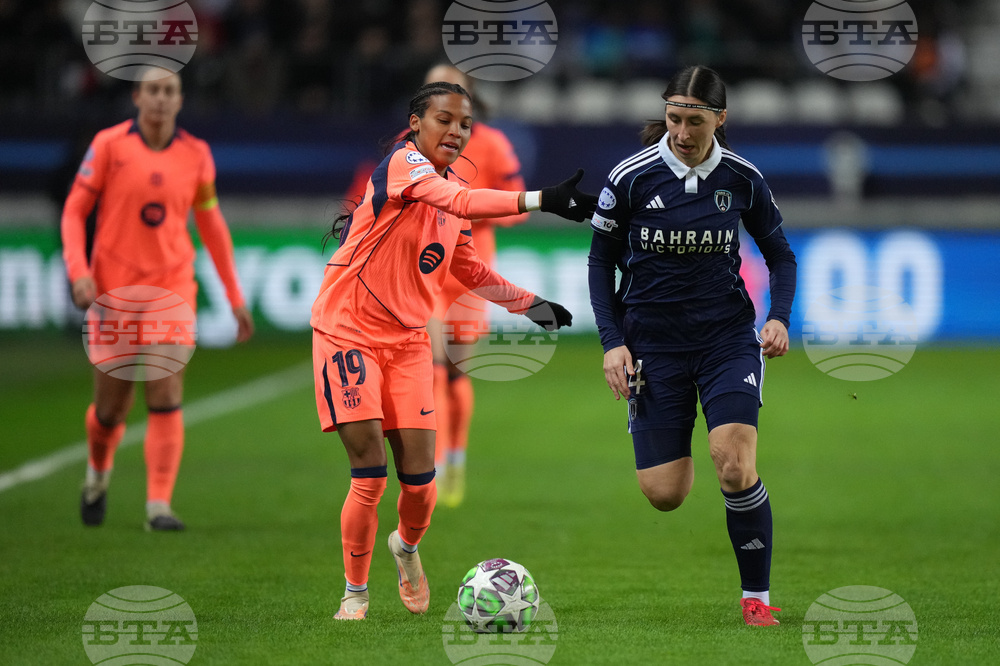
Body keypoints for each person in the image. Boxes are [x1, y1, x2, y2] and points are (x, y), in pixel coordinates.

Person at [312, 81, 596, 620]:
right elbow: (461, 200)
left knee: (420, 482)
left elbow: (465, 267)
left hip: (409, 340)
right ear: (415, 124)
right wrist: (541, 199)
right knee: (369, 471)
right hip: (347, 330)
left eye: (465, 124)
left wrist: (529, 305)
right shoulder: (402, 166)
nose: (456, 131)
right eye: (445, 119)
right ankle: (355, 591)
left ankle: (407, 549)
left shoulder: (453, 186)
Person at [587, 65, 796, 627]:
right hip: (653, 345)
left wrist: (777, 317)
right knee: (664, 492)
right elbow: (600, 261)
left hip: (726, 337)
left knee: (733, 464)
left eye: (695, 120)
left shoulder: (742, 178)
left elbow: (780, 253)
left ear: (719, 119)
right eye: (674, 118)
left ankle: (757, 600)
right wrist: (613, 344)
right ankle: (686, 440)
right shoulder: (630, 178)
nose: (681, 131)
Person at [61, 67, 254, 532]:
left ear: (180, 100)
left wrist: (234, 296)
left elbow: (211, 226)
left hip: (172, 290)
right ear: (137, 97)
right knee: (111, 410)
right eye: (153, 91)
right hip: (115, 293)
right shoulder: (109, 146)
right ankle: (97, 475)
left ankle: (158, 507)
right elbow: (74, 211)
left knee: (166, 393)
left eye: (169, 91)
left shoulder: (195, 155)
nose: (161, 99)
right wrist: (79, 273)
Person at [342, 65, 530, 508]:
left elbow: (515, 207)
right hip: (423, 279)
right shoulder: (410, 152)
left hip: (467, 266)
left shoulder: (493, 145)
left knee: (458, 375)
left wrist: (467, 210)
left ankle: (456, 458)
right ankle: (437, 469)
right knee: (433, 371)